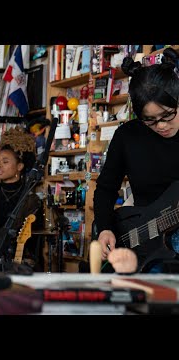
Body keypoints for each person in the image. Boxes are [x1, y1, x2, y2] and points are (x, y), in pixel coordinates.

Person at [94, 48, 179, 273]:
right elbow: (105, 188)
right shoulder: (127, 136)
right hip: (141, 238)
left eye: (167, 115)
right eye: (149, 120)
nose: (161, 125)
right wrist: (104, 229)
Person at [0, 127, 43, 268]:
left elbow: (33, 243)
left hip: (19, 266)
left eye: (5, 162)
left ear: (20, 166)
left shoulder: (31, 201)